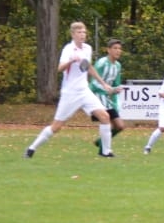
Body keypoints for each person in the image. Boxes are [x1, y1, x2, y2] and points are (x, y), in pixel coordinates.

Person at [25, 21, 119, 158]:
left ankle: (106, 152)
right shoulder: (68, 49)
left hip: (84, 91)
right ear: (73, 34)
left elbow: (88, 67)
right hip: (70, 93)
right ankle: (31, 148)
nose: (82, 35)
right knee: (56, 126)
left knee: (105, 116)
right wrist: (71, 61)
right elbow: (60, 68)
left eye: (84, 32)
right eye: (79, 32)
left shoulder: (87, 48)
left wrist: (103, 84)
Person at [91, 38, 128, 155]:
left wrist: (117, 89)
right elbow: (94, 83)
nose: (118, 51)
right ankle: (104, 150)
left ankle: (101, 144)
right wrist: (109, 89)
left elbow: (116, 83)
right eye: (115, 48)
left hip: (108, 98)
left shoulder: (117, 65)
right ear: (108, 50)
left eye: (119, 49)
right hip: (98, 96)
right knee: (107, 122)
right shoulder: (102, 63)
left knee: (119, 126)